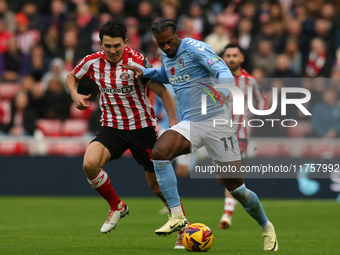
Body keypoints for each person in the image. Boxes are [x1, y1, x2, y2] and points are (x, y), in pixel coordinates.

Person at [122, 18, 278, 251]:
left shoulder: (195, 48)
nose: (166, 47)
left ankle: (267, 228)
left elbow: (222, 69)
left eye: (168, 41)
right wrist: (145, 71)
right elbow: (167, 75)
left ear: (177, 34)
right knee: (160, 152)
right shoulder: (167, 54)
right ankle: (177, 216)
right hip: (190, 124)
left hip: (217, 123)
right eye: (160, 43)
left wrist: (225, 90)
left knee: (237, 189)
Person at [66, 20, 184, 249]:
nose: (112, 51)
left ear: (125, 43)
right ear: (100, 43)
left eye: (116, 46)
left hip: (142, 129)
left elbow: (163, 92)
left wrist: (174, 123)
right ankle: (117, 206)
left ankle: (182, 225)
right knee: (89, 164)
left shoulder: (137, 62)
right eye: (107, 46)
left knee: (157, 186)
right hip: (112, 128)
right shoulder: (92, 62)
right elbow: (71, 76)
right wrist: (75, 94)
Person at [219, 42, 267, 229]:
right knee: (222, 176)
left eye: (234, 55)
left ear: (241, 58)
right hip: (219, 134)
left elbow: (262, 103)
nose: (231, 59)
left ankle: (227, 214)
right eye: (228, 56)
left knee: (231, 174)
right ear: (224, 59)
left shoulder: (251, 81)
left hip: (240, 134)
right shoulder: (219, 80)